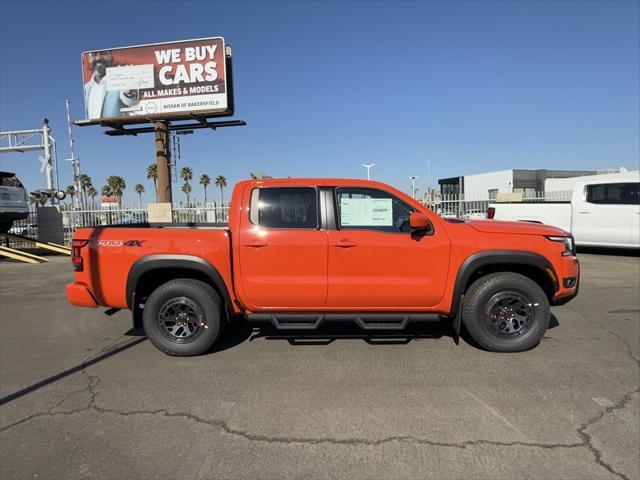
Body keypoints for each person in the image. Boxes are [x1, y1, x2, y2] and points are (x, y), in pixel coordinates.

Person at [84, 50, 139, 119]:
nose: (98, 58)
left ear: (110, 57)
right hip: (93, 128)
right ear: (89, 59)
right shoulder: (86, 88)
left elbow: (131, 101)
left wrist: (129, 90)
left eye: (103, 53)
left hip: (116, 126)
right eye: (94, 54)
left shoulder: (120, 79)